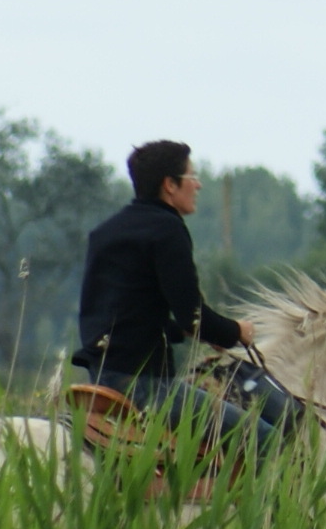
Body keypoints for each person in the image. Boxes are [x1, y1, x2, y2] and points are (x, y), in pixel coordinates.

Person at [72, 140, 291, 456]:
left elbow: (131, 314)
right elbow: (194, 315)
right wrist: (235, 332)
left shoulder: (106, 231)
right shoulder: (167, 229)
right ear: (170, 186)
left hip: (102, 379)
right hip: (146, 385)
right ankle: (260, 507)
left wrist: (185, 331)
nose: (199, 184)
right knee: (265, 439)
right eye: (192, 176)